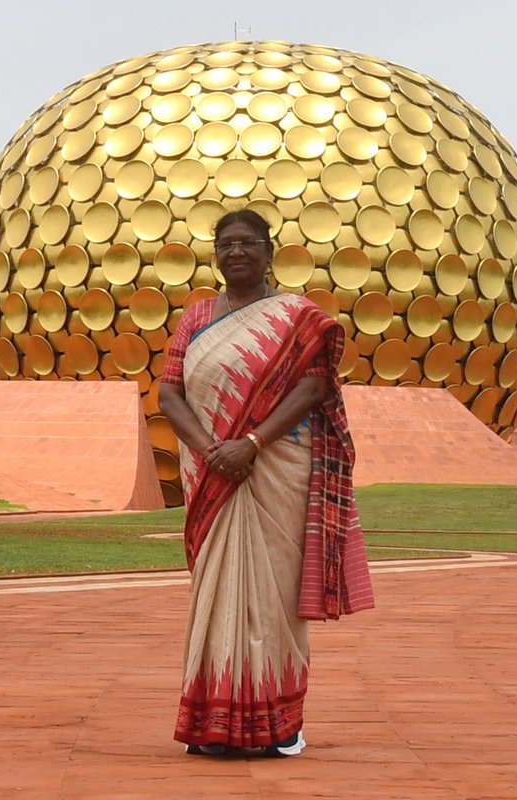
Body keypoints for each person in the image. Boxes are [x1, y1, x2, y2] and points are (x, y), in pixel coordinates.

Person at [158, 209, 375, 758]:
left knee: (275, 598)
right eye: (226, 244)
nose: (237, 252)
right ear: (215, 253)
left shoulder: (300, 317)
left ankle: (278, 724)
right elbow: (169, 394)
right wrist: (214, 451)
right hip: (210, 472)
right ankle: (212, 725)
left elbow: (312, 387)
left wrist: (250, 444)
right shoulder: (196, 317)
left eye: (247, 243)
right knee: (214, 592)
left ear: (268, 250)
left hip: (277, 466)